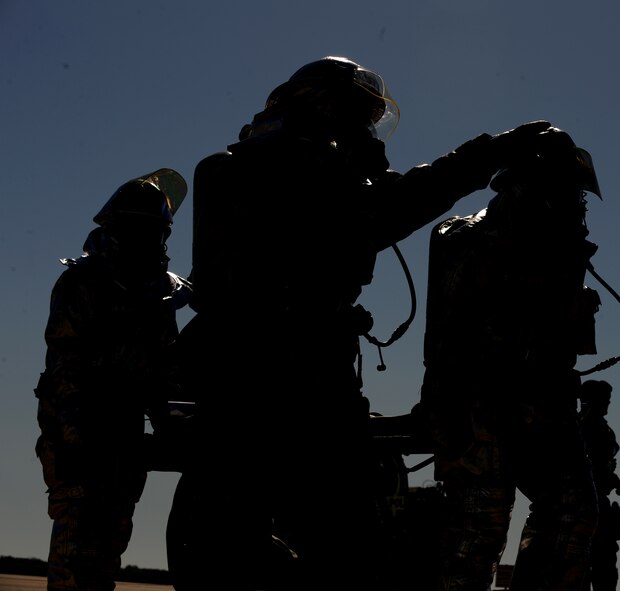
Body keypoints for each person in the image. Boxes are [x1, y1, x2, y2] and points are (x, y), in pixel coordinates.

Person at [176, 55, 562, 590]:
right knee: (291, 539)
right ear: (322, 111)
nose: (364, 134)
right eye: (356, 118)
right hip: (267, 380)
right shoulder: (258, 174)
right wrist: (489, 153)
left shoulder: (264, 172)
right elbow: (382, 208)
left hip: (297, 373)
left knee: (325, 538)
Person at [418, 131, 604, 591]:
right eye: (563, 190)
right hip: (479, 402)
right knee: (479, 521)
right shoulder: (470, 239)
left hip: (540, 401)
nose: (574, 204)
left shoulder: (553, 246)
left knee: (572, 509)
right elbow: (465, 333)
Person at [33, 169, 192, 591]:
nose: (144, 239)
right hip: (80, 429)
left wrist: (169, 419)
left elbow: (166, 368)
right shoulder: (82, 283)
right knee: (76, 550)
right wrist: (75, 435)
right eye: (135, 227)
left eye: (152, 230)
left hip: (123, 432)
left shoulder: (160, 293)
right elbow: (67, 366)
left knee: (109, 543)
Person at [578, 379, 620, 591]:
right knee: (601, 566)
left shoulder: (584, 423)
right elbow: (595, 464)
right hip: (590, 502)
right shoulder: (592, 426)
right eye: (605, 400)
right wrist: (614, 481)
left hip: (589, 500)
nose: (608, 404)